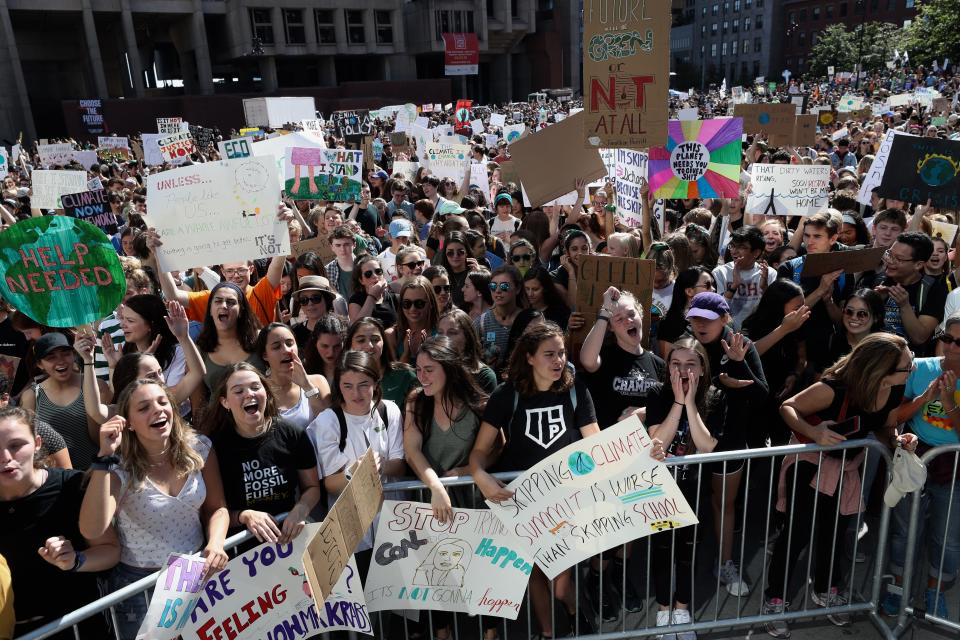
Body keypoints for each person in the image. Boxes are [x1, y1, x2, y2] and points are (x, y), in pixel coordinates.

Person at [763, 334, 916, 638]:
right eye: (906, 367)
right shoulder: (834, 388)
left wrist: (899, 440)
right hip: (809, 465)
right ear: (881, 370)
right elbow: (788, 407)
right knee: (796, 534)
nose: (911, 370)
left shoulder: (893, 390)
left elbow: (885, 426)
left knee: (834, 534)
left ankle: (826, 590)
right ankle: (774, 600)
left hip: (847, 469)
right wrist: (813, 431)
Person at [469, 323, 599, 639]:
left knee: (561, 582)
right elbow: (479, 453)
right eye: (549, 354)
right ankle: (548, 632)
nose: (558, 360)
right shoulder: (506, 395)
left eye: (562, 353)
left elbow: (595, 445)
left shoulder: (576, 390)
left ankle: (574, 609)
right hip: (522, 501)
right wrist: (480, 476)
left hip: (564, 501)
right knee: (535, 574)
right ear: (529, 358)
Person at [79, 380, 229, 639]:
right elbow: (92, 528)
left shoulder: (199, 447)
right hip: (142, 589)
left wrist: (215, 544)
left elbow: (218, 508)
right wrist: (104, 458)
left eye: (162, 402)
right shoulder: (119, 469)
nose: (157, 410)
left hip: (197, 574)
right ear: (129, 423)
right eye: (144, 407)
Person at [0, 407, 119, 639]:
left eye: (15, 445)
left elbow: (111, 551)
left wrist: (76, 560)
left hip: (80, 626)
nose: (5, 457)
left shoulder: (71, 486)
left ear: (36, 443)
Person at [403, 336, 494, 640]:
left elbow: (498, 447)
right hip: (436, 506)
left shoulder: (478, 403)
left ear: (449, 368)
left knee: (480, 577)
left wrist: (469, 470)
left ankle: (489, 633)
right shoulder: (416, 400)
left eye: (429, 369)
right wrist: (436, 486)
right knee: (440, 575)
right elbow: (412, 450)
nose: (422, 376)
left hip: (473, 503)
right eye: (418, 369)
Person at [644, 338, 721, 638]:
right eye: (676, 364)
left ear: (702, 369)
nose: (683, 370)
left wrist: (690, 403)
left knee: (689, 553)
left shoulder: (714, 397)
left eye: (691, 364)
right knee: (663, 551)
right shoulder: (656, 393)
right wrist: (677, 402)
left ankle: (682, 610)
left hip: (695, 488)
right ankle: (664, 612)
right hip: (662, 491)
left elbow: (706, 445)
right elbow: (657, 441)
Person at [885, 313, 960, 618]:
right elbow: (894, 418)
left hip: (954, 469)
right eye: (947, 339)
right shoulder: (920, 368)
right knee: (904, 532)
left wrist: (947, 400)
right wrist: (924, 399)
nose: (953, 347)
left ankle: (934, 592)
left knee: (948, 538)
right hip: (916, 462)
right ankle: (896, 589)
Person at [307, 350, 405, 579]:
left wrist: (378, 466)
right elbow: (330, 483)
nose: (356, 393)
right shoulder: (327, 421)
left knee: (393, 600)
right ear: (338, 385)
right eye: (347, 385)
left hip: (392, 526)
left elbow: (400, 465)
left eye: (363, 384)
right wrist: (354, 472)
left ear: (375, 382)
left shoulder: (389, 410)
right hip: (352, 533)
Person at [203, 363, 322, 544]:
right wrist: (245, 516)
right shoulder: (215, 447)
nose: (249, 394)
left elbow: (312, 488)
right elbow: (213, 511)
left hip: (288, 540)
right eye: (238, 391)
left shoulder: (292, 433)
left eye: (255, 387)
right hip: (241, 551)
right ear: (224, 402)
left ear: (266, 392)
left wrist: (301, 509)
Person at [20, 333, 111, 471]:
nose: (61, 361)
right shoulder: (32, 396)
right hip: (55, 481)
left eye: (66, 354)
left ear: (74, 355)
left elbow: (101, 439)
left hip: (95, 473)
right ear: (40, 364)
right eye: (51, 357)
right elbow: (30, 445)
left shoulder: (97, 387)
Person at [581, 286, 664, 427]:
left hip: (650, 445)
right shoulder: (604, 357)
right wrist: (605, 310)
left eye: (632, 314)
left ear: (641, 314)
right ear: (610, 327)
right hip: (612, 444)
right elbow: (587, 361)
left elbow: (669, 404)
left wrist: (644, 412)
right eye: (619, 319)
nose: (628, 321)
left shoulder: (660, 365)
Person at [195, 282, 266, 398]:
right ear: (210, 310)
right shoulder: (200, 349)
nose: (224, 305)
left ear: (241, 310)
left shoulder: (260, 339)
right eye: (218, 301)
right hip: (216, 416)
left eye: (231, 302)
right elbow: (197, 401)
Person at [256, 324, 330, 427]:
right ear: (265, 355)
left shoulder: (318, 381)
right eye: (276, 347)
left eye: (290, 343)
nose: (286, 350)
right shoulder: (259, 391)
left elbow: (329, 426)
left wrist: (307, 386)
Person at [712, 226, 776, 330]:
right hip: (725, 332)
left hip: (757, 332)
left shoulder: (769, 274)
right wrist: (733, 286)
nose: (734, 251)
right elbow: (715, 310)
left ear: (756, 252)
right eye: (732, 246)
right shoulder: (719, 273)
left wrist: (764, 288)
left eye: (741, 247)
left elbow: (774, 310)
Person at [346, 317, 417, 408]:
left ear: (384, 342)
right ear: (350, 345)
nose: (369, 345)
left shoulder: (405, 376)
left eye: (375, 339)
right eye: (361, 340)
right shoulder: (343, 379)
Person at [475, 265, 525, 372]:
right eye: (493, 286)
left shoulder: (529, 320)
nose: (497, 290)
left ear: (518, 288)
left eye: (504, 286)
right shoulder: (481, 322)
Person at [437, 309, 498, 393]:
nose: (445, 338)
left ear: (467, 336)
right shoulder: (434, 369)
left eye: (452, 332)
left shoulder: (484, 376)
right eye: (440, 333)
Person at [656, 267, 713, 356]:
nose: (713, 289)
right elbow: (667, 363)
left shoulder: (717, 320)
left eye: (713, 284)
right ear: (689, 291)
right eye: (708, 285)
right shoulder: (670, 325)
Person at [392, 276, 440, 363]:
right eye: (407, 303)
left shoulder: (441, 332)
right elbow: (396, 375)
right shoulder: (392, 335)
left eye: (419, 303)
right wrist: (406, 354)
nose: (412, 309)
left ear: (431, 303)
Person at [348, 254, 399, 328]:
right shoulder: (356, 300)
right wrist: (372, 296)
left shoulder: (394, 297)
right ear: (361, 280)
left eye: (378, 271)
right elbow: (358, 327)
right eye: (368, 274)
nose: (375, 276)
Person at [290, 275, 339, 350]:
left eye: (315, 298)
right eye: (304, 300)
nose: (310, 303)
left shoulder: (341, 329)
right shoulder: (294, 333)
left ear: (327, 300)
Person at [303, 314, 348, 388]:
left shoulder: (352, 367)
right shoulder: (305, 369)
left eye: (337, 346)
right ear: (315, 343)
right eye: (325, 346)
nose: (331, 352)